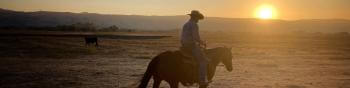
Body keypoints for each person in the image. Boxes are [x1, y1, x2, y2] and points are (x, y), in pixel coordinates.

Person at [180, 10, 209, 87]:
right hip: (191, 45)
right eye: (198, 18)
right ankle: (202, 80)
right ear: (195, 17)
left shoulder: (186, 24)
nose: (198, 20)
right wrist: (203, 43)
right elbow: (196, 37)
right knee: (203, 61)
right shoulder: (194, 25)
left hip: (183, 45)